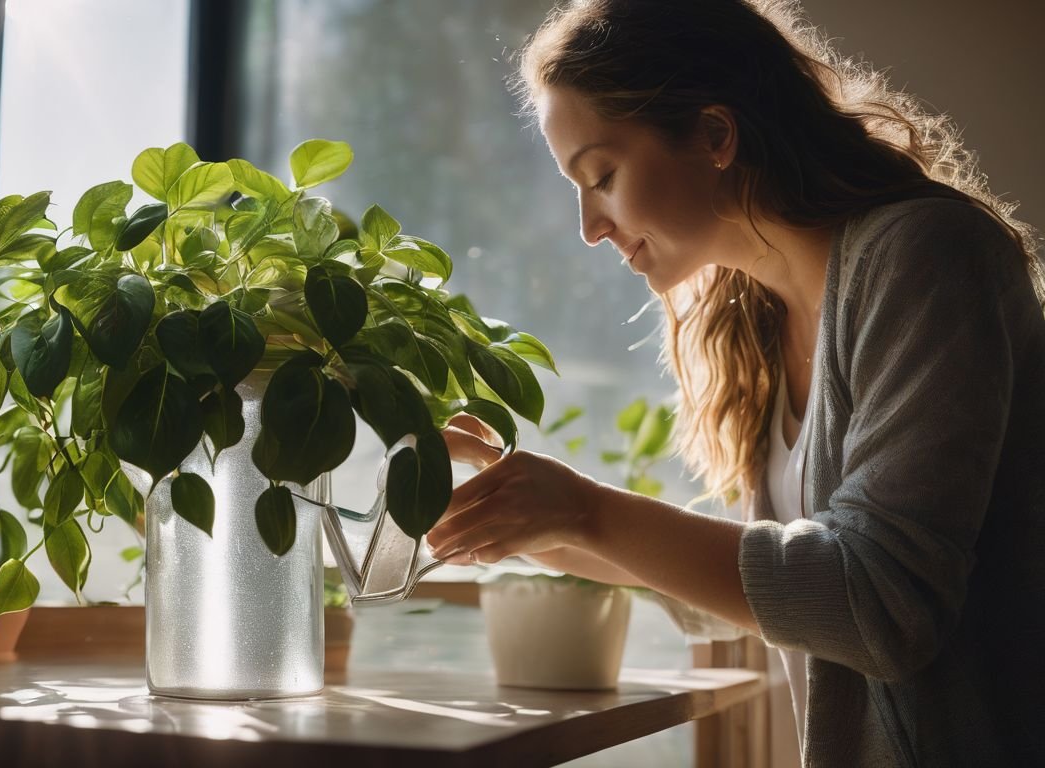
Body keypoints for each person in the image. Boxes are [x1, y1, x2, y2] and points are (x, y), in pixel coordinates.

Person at [423, 1, 1045, 766]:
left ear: (716, 134)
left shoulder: (925, 256)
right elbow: (776, 591)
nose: (590, 226)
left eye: (603, 176)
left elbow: (879, 605)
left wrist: (581, 510)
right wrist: (534, 525)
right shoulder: (755, 316)